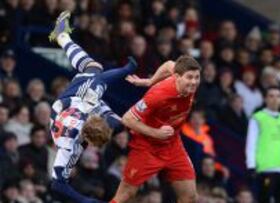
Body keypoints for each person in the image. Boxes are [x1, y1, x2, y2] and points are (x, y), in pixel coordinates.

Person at [48, 11, 136, 203]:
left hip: (71, 104)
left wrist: (126, 70)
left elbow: (103, 79)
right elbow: (56, 184)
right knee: (118, 121)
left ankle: (62, 36)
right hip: (67, 117)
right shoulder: (70, 148)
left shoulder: (70, 145)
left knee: (95, 71)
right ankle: (61, 36)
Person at [111, 55, 202, 203]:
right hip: (147, 147)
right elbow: (128, 119)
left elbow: (168, 64)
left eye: (197, 77)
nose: (194, 82)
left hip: (173, 146)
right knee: (126, 195)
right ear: (178, 77)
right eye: (190, 77)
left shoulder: (183, 79)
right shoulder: (158, 95)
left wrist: (150, 81)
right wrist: (156, 133)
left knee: (190, 197)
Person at [245, 86, 280, 203]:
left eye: (278, 96)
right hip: (266, 168)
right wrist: (251, 165)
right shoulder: (258, 117)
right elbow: (251, 142)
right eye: (271, 96)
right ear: (265, 99)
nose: (275, 99)